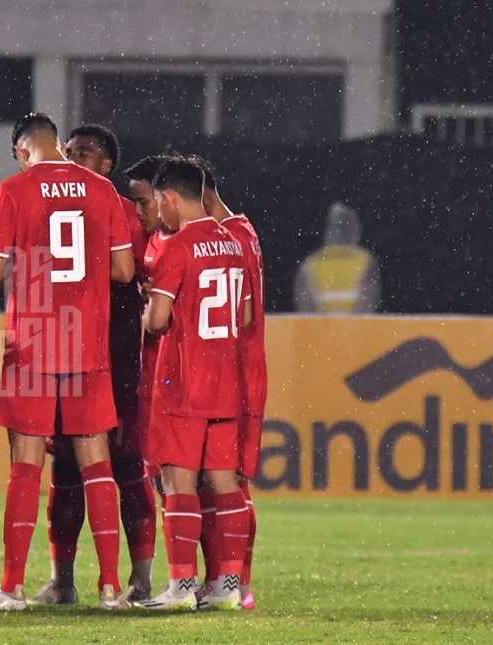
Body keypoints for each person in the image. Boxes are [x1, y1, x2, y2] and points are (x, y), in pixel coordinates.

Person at [0, 113, 135, 611]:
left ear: (21, 150)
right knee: (97, 465)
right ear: (58, 145)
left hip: (30, 345)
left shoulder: (12, 190)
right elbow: (123, 269)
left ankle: (11, 587)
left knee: (25, 467)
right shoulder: (101, 190)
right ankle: (110, 587)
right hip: (86, 344)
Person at [31, 124, 156, 604]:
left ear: (107, 166)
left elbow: (139, 273)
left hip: (116, 364)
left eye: (86, 153)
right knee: (64, 471)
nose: (73, 157)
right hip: (63, 359)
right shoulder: (46, 208)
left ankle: (139, 582)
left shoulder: (124, 212)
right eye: (70, 150)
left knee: (127, 468)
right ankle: (63, 582)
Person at [142, 157, 250, 611]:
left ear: (169, 197)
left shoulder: (177, 247)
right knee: (225, 484)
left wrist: (148, 307)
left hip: (185, 381)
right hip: (227, 382)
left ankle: (181, 586)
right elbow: (243, 317)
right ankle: (228, 585)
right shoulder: (233, 242)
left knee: (177, 483)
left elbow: (157, 322)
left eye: (158, 203)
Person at [192, 155, 267, 610]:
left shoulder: (229, 238)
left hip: (231, 376)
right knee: (220, 482)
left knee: (228, 483)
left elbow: (239, 315)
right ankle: (227, 580)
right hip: (237, 373)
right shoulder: (246, 231)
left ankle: (236, 581)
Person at [123, 154, 173, 499]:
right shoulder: (146, 240)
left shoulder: (183, 244)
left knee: (183, 480)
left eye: (143, 203)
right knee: (156, 476)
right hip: (152, 371)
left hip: (179, 376)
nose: (138, 211)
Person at [293, 201, 380, 313]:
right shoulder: (366, 261)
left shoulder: (310, 264)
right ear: (355, 229)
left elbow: (305, 306)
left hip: (320, 329)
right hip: (354, 328)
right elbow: (368, 302)